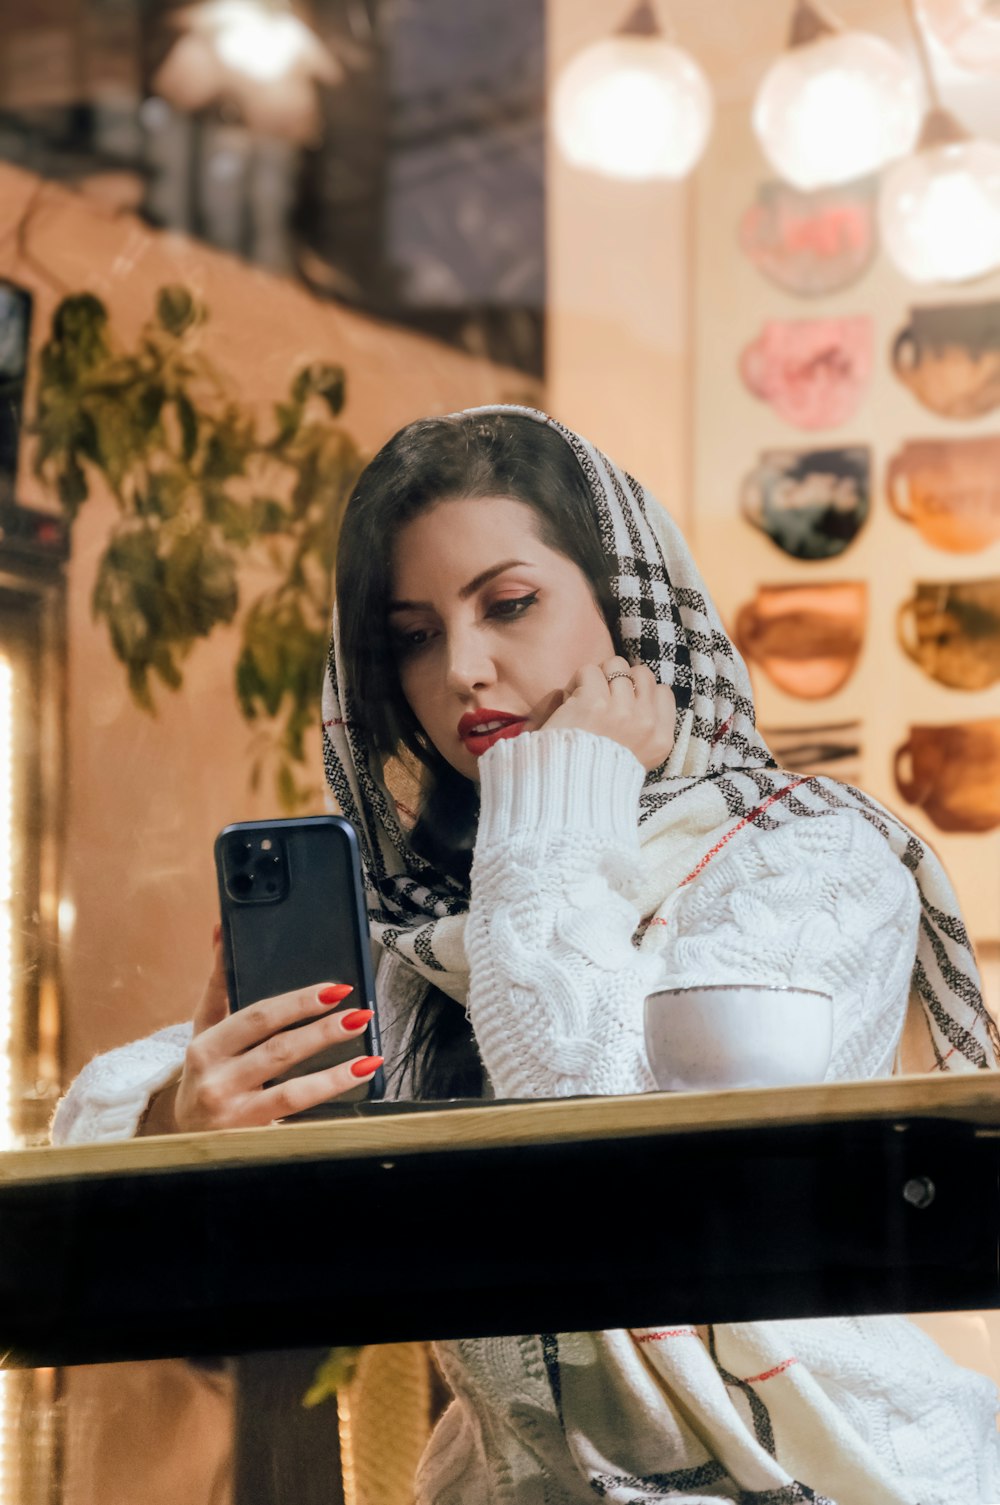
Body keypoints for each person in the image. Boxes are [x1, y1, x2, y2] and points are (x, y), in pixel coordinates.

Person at [54, 407, 1000, 1503]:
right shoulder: (430, 920)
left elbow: (600, 1134)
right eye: (411, 634)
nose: (461, 667)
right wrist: (182, 1109)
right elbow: (88, 1136)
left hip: (841, 1476)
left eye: (509, 604)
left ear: (623, 607)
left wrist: (554, 799)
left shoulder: (806, 850)